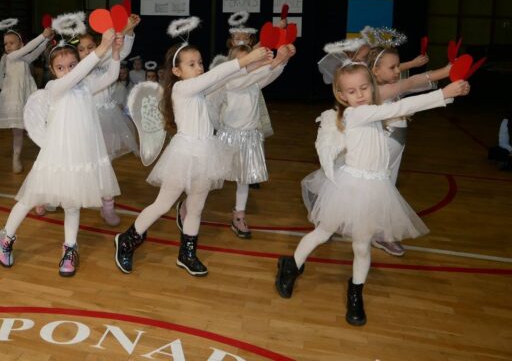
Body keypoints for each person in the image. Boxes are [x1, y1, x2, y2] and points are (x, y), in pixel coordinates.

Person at [275, 62, 470, 326]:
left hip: (375, 189)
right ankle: (292, 266)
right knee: (322, 232)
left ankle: (356, 292)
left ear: (372, 87)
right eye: (352, 91)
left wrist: (446, 91)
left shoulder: (374, 111)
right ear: (342, 96)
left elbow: (400, 100)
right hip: (349, 187)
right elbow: (402, 106)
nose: (359, 95)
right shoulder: (356, 115)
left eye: (364, 88)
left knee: (361, 246)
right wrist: (444, 94)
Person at [114, 40, 273, 277]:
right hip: (184, 154)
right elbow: (217, 74)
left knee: (197, 208)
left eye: (200, 62)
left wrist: (257, 64)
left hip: (205, 154)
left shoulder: (199, 88)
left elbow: (224, 79)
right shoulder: (181, 89)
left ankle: (187, 254)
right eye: (191, 64)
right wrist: (247, 59)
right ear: (177, 71)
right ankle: (126, 240)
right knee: (163, 204)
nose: (199, 67)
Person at [0, 28, 122, 277]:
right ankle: (5, 236)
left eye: (73, 65)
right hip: (56, 156)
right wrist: (101, 48)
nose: (69, 71)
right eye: (61, 67)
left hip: (79, 156)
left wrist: (114, 51)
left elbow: (112, 75)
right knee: (30, 198)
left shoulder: (84, 87)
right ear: (53, 71)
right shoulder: (55, 87)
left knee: (73, 204)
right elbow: (76, 76)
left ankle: (70, 248)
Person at [366, 45, 452, 256]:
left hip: (396, 145)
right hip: (384, 146)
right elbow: (411, 83)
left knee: (385, 187)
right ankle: (380, 234)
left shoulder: (389, 85)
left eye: (398, 66)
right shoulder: (375, 90)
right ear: (375, 70)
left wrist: (444, 74)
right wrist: (446, 73)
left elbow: (415, 85)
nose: (397, 71)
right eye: (392, 67)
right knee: (381, 190)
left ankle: (375, 230)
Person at [210, 43, 295, 239]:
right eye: (242, 62)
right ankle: (191, 204)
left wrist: (284, 59)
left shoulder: (254, 82)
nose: (248, 65)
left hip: (249, 138)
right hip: (228, 137)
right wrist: (274, 61)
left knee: (244, 179)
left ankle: (239, 214)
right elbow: (252, 76)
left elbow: (270, 74)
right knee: (212, 174)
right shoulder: (230, 82)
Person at [75, 14, 140, 225]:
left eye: (89, 47)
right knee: (75, 163)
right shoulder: (77, 69)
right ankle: (53, 197)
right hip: (84, 122)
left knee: (105, 164)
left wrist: (128, 31)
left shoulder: (102, 62)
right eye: (81, 49)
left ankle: (107, 207)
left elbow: (121, 52)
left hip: (107, 120)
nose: (86, 52)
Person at [0, 24, 54, 173]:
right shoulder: (9, 57)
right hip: (8, 100)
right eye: (6, 44)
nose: (7, 46)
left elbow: (34, 52)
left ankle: (16, 158)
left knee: (18, 130)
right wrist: (43, 36)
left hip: (21, 99)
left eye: (11, 43)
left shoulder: (24, 58)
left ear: (21, 44)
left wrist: (46, 41)